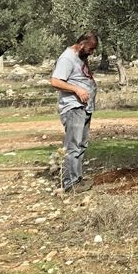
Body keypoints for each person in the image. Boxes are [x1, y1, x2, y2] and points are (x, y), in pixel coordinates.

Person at [49, 31, 99, 194]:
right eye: (91, 49)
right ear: (82, 44)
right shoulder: (67, 58)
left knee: (81, 144)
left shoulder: (80, 58)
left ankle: (77, 178)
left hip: (84, 107)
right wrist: (77, 89)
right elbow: (55, 81)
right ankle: (70, 183)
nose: (92, 52)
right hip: (73, 107)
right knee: (73, 145)